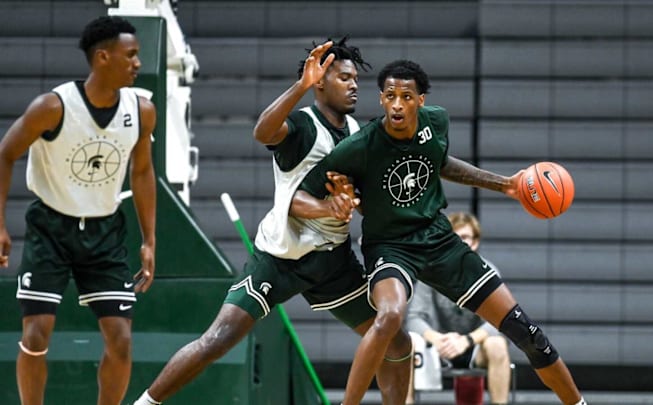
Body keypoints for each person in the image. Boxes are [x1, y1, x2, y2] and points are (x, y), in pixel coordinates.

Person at [133, 38, 412, 405]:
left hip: (330, 261)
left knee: (397, 341)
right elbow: (263, 134)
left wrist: (357, 204)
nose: (354, 84)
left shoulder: (357, 133)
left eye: (355, 78)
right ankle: (145, 403)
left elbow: (360, 198)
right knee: (217, 340)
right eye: (344, 77)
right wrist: (299, 86)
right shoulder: (302, 126)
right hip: (279, 258)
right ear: (320, 82)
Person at [299, 59, 587, 405]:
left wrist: (506, 185)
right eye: (389, 95)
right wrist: (340, 199)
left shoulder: (436, 121)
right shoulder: (359, 147)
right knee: (389, 316)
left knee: (527, 332)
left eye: (406, 96)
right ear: (380, 99)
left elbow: (441, 162)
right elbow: (304, 192)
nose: (396, 104)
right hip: (390, 247)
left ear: (420, 100)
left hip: (439, 240)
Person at [0, 16, 157, 405]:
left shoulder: (141, 111)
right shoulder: (52, 107)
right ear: (103, 57)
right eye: (131, 55)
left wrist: (150, 239)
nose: (138, 63)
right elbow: (5, 154)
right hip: (51, 228)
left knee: (120, 340)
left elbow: (141, 172)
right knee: (36, 335)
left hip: (104, 231)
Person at [405, 211, 511, 405]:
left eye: (465, 238)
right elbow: (413, 318)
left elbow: (499, 322)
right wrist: (438, 339)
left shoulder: (488, 272)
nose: (460, 243)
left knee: (497, 345)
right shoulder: (430, 271)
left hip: (473, 347)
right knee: (407, 344)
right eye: (454, 238)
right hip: (439, 346)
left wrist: (466, 340)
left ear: (475, 242)